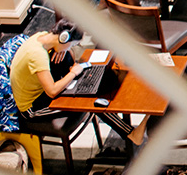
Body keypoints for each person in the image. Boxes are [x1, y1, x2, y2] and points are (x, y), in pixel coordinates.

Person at [9, 20, 138, 139]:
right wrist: (73, 73)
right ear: (64, 38)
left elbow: (66, 54)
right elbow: (52, 91)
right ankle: (131, 134)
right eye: (72, 45)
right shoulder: (37, 56)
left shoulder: (43, 36)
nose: (71, 48)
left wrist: (64, 49)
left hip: (41, 92)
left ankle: (128, 131)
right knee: (88, 102)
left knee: (87, 90)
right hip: (33, 108)